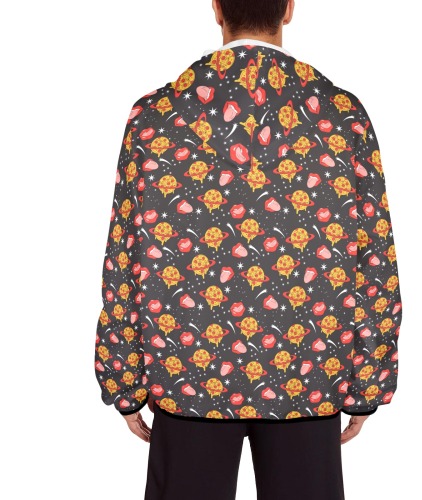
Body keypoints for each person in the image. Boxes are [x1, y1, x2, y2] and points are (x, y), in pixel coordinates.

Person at [93, 1, 404, 498]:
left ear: (216, 8)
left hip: (187, 375)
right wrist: (368, 380)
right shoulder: (342, 115)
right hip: (307, 375)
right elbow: (375, 260)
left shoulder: (155, 116)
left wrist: (123, 379)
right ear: (289, 8)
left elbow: (124, 256)